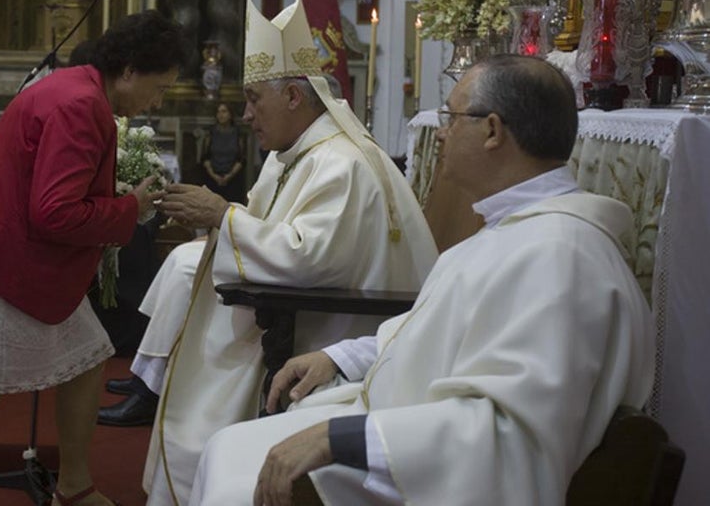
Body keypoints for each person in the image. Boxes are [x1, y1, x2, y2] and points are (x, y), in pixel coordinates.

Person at [190, 55, 656, 506]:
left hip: (424, 471)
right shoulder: (519, 231)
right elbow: (445, 331)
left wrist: (342, 436)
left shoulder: (558, 261)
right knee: (225, 448)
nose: (441, 133)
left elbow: (501, 437)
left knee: (235, 481)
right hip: (407, 434)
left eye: (451, 117)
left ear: (493, 131)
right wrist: (343, 354)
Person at [100, 0, 438, 506]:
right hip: (292, 312)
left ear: (295, 98)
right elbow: (269, 229)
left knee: (206, 406)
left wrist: (221, 216)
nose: (246, 113)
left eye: (255, 98)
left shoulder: (340, 164)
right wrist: (221, 221)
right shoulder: (292, 153)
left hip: (328, 331)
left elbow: (309, 258)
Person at [0, 11, 188, 506]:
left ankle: (73, 487)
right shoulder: (81, 105)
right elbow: (55, 213)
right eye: (160, 88)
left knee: (88, 358)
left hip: (8, 250)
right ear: (129, 69)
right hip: (0, 263)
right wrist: (130, 208)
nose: (158, 102)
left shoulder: (75, 85)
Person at [199, 101, 246, 202]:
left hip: (233, 178)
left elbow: (241, 158)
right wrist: (215, 176)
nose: (221, 115)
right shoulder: (211, 133)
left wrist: (228, 176)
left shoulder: (238, 133)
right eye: (218, 112)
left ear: (230, 114)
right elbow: (205, 157)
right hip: (213, 177)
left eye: (224, 111)